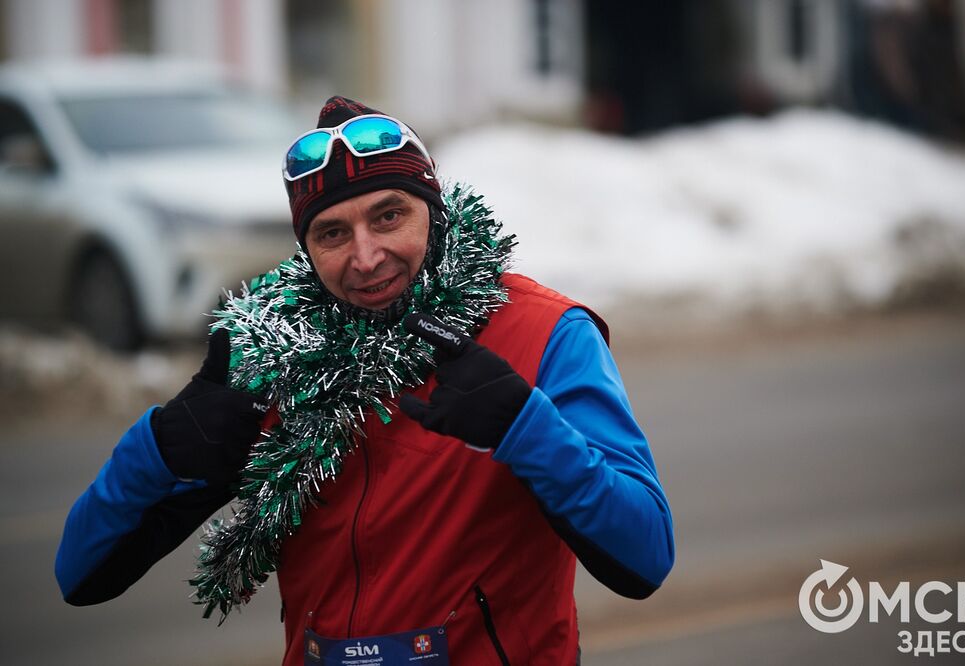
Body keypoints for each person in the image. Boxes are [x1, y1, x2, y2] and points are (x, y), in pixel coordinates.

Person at [55, 96, 675, 665]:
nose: (366, 256)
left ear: (434, 211)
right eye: (332, 233)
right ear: (306, 248)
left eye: (388, 216)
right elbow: (79, 573)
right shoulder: (275, 354)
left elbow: (644, 553)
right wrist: (162, 446)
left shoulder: (546, 333)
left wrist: (523, 426)